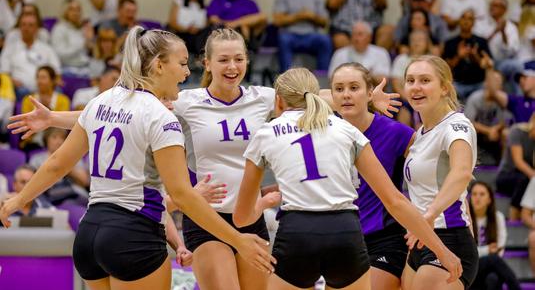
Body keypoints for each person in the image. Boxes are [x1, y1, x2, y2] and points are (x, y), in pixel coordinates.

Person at [6, 27, 400, 290]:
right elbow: (118, 115)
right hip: (204, 221)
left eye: (239, 59)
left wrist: (367, 99)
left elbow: (320, 97)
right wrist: (54, 117)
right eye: (223, 60)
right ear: (205, 64)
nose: (232, 67)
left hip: (251, 218)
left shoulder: (265, 98)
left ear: (247, 62)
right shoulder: (182, 102)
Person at [0, 26, 275, 290]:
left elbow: (58, 162)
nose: (187, 72)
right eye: (181, 64)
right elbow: (181, 194)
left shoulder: (101, 101)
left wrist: (18, 199)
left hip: (89, 234)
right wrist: (238, 240)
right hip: (134, 235)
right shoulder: (161, 116)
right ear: (158, 66)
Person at [233, 67, 462, 289]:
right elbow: (396, 201)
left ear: (279, 101)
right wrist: (443, 252)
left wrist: (263, 203)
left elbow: (242, 218)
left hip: (298, 232)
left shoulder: (266, 133)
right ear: (323, 95)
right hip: (345, 231)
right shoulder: (347, 130)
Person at [319, 62, 415, 290]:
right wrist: (362, 98)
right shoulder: (324, 130)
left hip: (384, 240)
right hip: (340, 238)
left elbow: (428, 175)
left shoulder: (397, 132)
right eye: (339, 89)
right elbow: (302, 95)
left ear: (370, 91)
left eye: (354, 87)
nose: (346, 95)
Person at [400, 55, 479, 290]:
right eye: (410, 80)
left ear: (445, 87)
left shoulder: (457, 126)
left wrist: (429, 216)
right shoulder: (422, 133)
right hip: (421, 239)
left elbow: (462, 173)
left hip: (448, 236)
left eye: (425, 80)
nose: (416, 87)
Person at [469, 181, 521, 290]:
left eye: (482, 194)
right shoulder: (464, 218)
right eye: (474, 194)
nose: (477, 198)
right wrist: (487, 250)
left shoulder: (498, 218)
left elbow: (499, 250)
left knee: (493, 278)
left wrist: (484, 253)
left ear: (489, 199)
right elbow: (468, 254)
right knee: (493, 259)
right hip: (470, 269)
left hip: (489, 269)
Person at [496, 114, 535, 220]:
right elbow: (518, 161)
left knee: (527, 181)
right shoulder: (517, 131)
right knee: (524, 180)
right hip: (506, 176)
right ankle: (513, 217)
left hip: (526, 178)